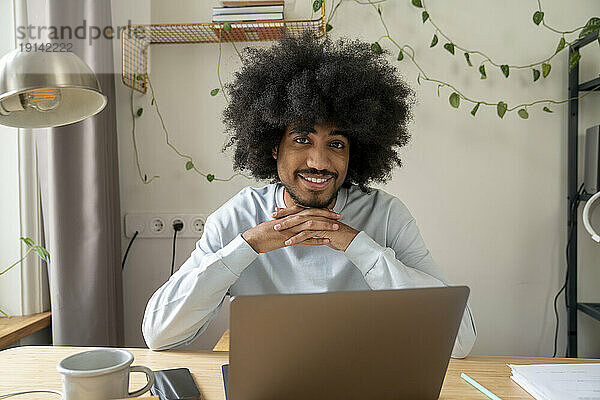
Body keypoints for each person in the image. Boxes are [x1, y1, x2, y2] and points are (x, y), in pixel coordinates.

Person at [142, 30, 477, 357]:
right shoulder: (238, 217)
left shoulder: (386, 215)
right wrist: (248, 245)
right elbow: (159, 334)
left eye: (335, 144)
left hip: (363, 376)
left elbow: (460, 341)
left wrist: (357, 245)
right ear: (274, 145)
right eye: (302, 139)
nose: (319, 162)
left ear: (354, 153)